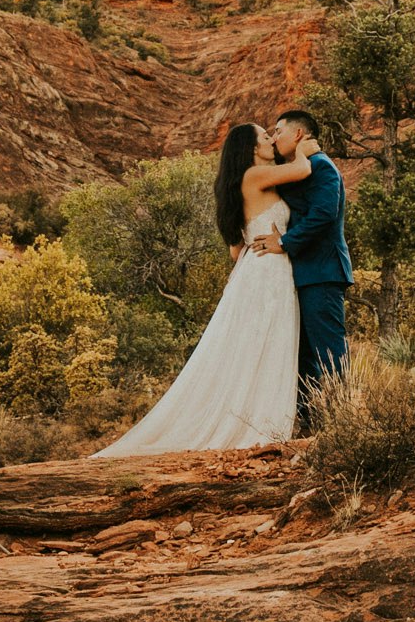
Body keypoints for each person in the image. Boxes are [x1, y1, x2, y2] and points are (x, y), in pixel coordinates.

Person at [92, 122, 312, 456]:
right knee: (268, 341)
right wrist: (303, 147)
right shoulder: (254, 175)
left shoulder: (242, 182)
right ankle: (262, 424)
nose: (270, 140)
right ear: (252, 148)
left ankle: (253, 418)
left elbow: (235, 250)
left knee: (257, 344)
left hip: (257, 268)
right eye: (265, 137)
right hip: (267, 271)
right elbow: (302, 169)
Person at [247, 108, 353, 425]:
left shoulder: (323, 168)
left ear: (298, 134)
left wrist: (286, 242)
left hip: (322, 273)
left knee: (329, 350)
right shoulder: (301, 169)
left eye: (278, 131)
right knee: (303, 354)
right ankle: (306, 420)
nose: (274, 136)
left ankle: (343, 420)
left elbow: (323, 214)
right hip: (300, 275)